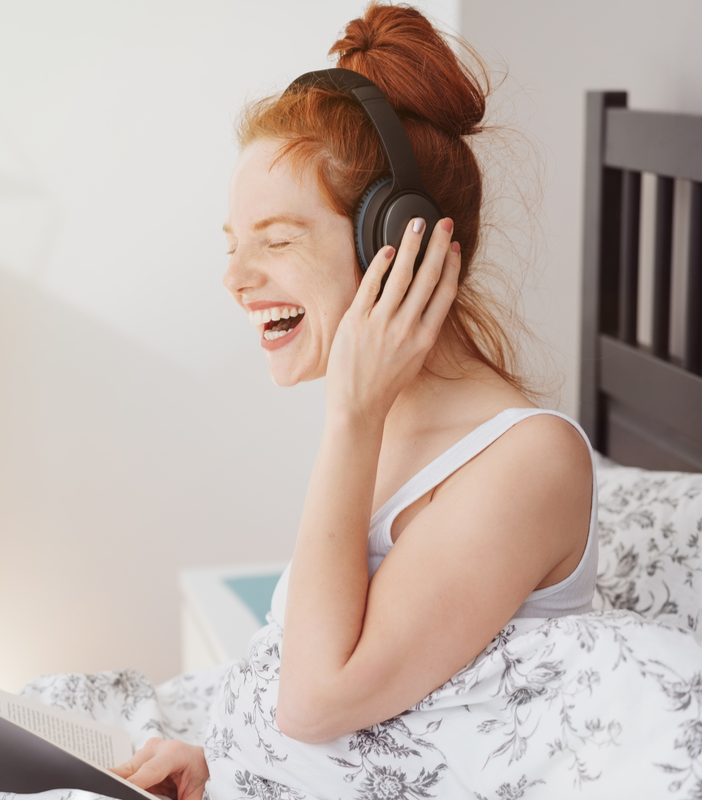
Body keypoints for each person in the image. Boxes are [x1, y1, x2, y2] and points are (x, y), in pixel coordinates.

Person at [113, 4, 594, 798]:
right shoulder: (386, 422)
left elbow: (317, 703)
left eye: (276, 240)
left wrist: (352, 416)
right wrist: (218, 763)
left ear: (397, 242)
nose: (235, 279)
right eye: (233, 245)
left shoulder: (528, 461)